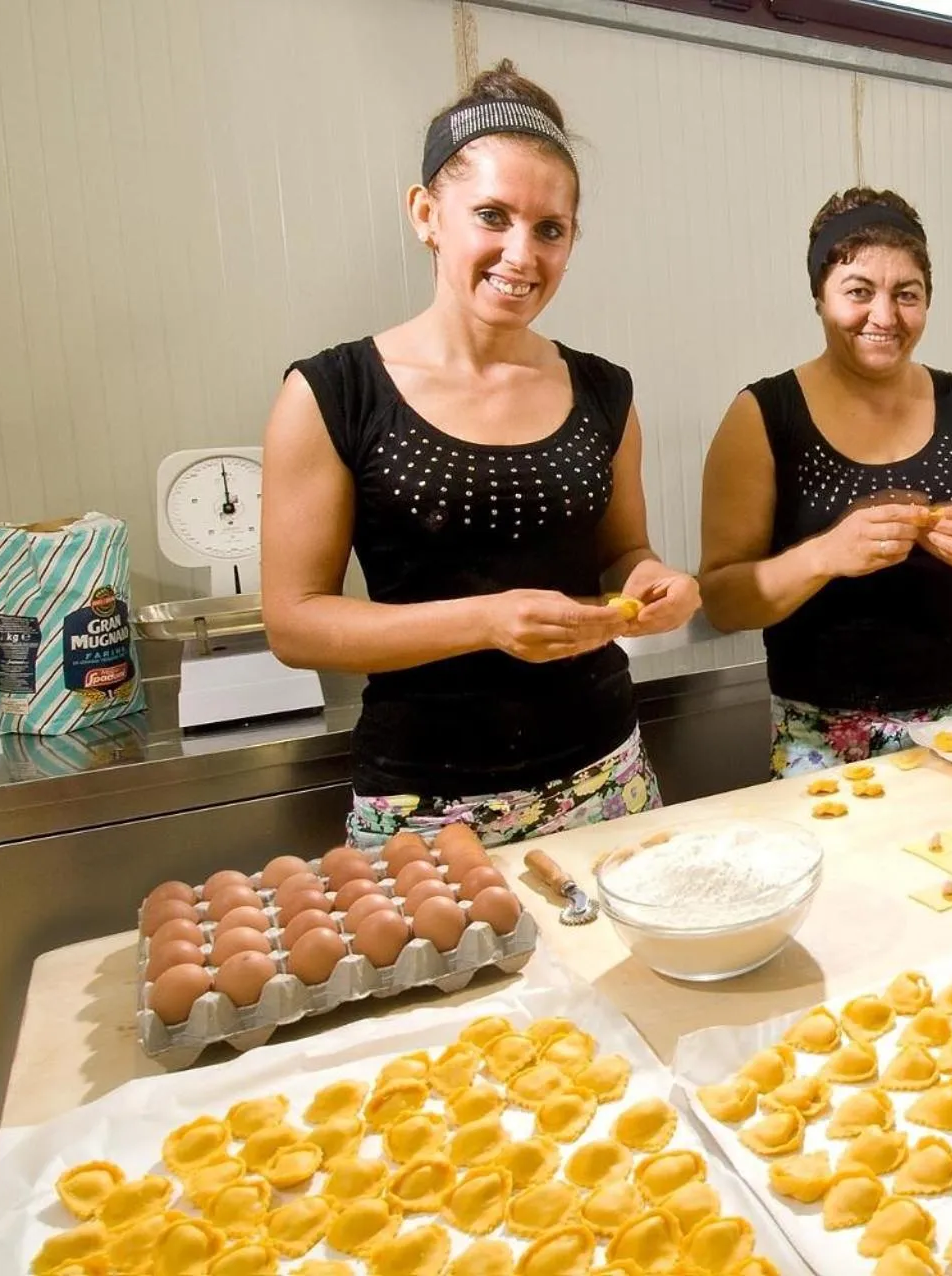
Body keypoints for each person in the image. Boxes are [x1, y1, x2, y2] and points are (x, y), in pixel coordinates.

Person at [262, 62, 699, 847]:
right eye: (492, 216)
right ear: (427, 213)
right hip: (428, 809)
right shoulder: (335, 393)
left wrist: (651, 580)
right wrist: (487, 622)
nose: (521, 255)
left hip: (608, 778)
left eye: (550, 229)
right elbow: (295, 624)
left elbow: (622, 553)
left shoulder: (604, 391)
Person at [698, 188, 952, 776]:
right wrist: (827, 554)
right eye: (858, 291)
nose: (885, 317)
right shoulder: (764, 414)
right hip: (822, 739)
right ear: (819, 297)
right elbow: (724, 601)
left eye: (907, 295)